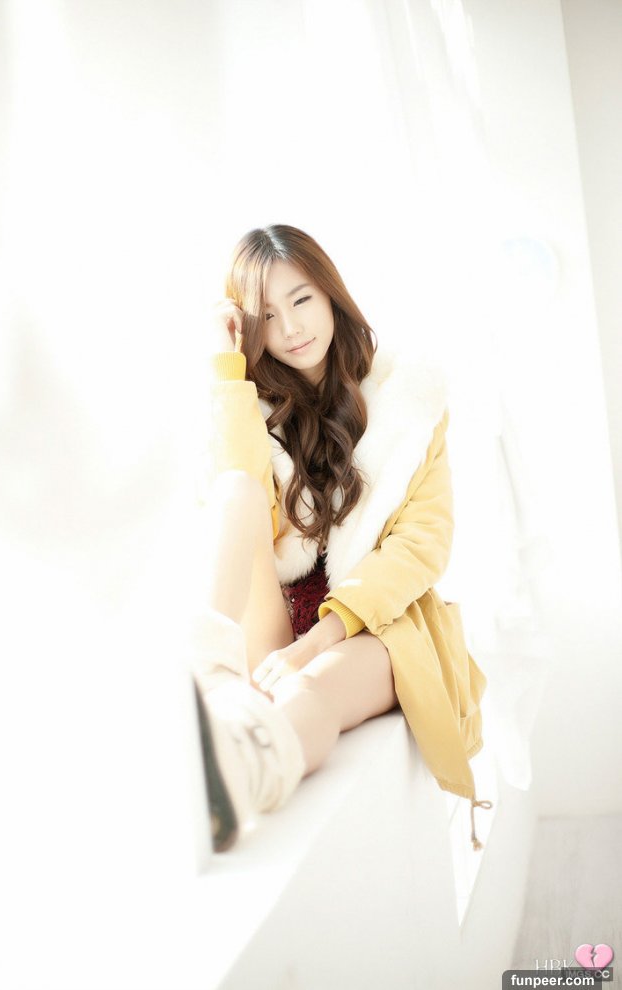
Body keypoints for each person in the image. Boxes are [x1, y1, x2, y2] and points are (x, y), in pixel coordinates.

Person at [191, 224, 492, 854]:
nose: (291, 328)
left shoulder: (409, 401)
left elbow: (421, 545)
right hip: (273, 620)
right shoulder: (257, 405)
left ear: (331, 293)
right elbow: (236, 484)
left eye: (301, 299)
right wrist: (227, 370)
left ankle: (237, 777)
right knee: (235, 491)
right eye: (266, 316)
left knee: (311, 689)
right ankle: (208, 675)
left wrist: (316, 642)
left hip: (368, 626)